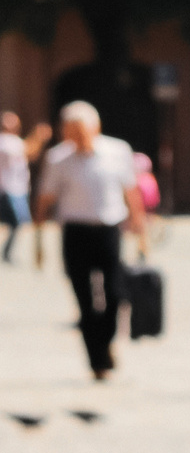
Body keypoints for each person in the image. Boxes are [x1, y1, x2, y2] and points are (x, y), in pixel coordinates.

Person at [32, 102, 148, 380]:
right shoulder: (58, 158)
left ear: (95, 128)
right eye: (69, 131)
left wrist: (140, 226)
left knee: (115, 294)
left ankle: (106, 341)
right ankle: (97, 361)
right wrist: (38, 233)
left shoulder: (117, 151)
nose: (75, 137)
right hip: (75, 233)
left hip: (108, 230)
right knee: (85, 300)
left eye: (79, 131)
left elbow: (130, 190)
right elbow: (46, 196)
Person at [1, 111, 28, 265]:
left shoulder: (16, 141)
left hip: (18, 189)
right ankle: (7, 252)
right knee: (16, 221)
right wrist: (39, 136)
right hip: (8, 189)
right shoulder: (5, 142)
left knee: (17, 223)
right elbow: (29, 150)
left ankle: (7, 251)